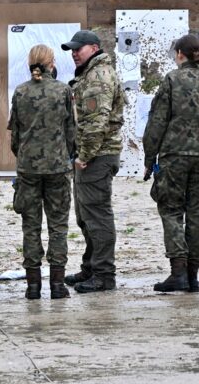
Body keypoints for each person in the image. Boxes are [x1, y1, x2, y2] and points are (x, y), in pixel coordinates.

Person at [143, 34, 199, 293]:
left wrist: (149, 157)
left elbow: (157, 122)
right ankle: (192, 276)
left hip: (174, 156)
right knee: (197, 215)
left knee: (171, 211)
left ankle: (178, 271)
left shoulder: (171, 80)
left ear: (180, 54)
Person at [8, 44, 76, 300]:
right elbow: (71, 132)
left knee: (30, 226)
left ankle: (33, 286)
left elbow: (15, 136)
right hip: (57, 167)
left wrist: (25, 156)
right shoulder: (63, 90)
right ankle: (57, 285)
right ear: (51, 63)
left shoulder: (21, 91)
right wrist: (65, 155)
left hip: (28, 169)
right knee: (58, 226)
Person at [60, 30, 126, 293]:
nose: (74, 54)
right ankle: (91, 267)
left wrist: (85, 155)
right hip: (93, 154)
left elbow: (96, 121)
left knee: (97, 216)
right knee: (86, 216)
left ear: (94, 48)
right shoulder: (90, 74)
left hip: (97, 155)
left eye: (79, 49)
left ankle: (104, 274)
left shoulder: (98, 76)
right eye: (72, 50)